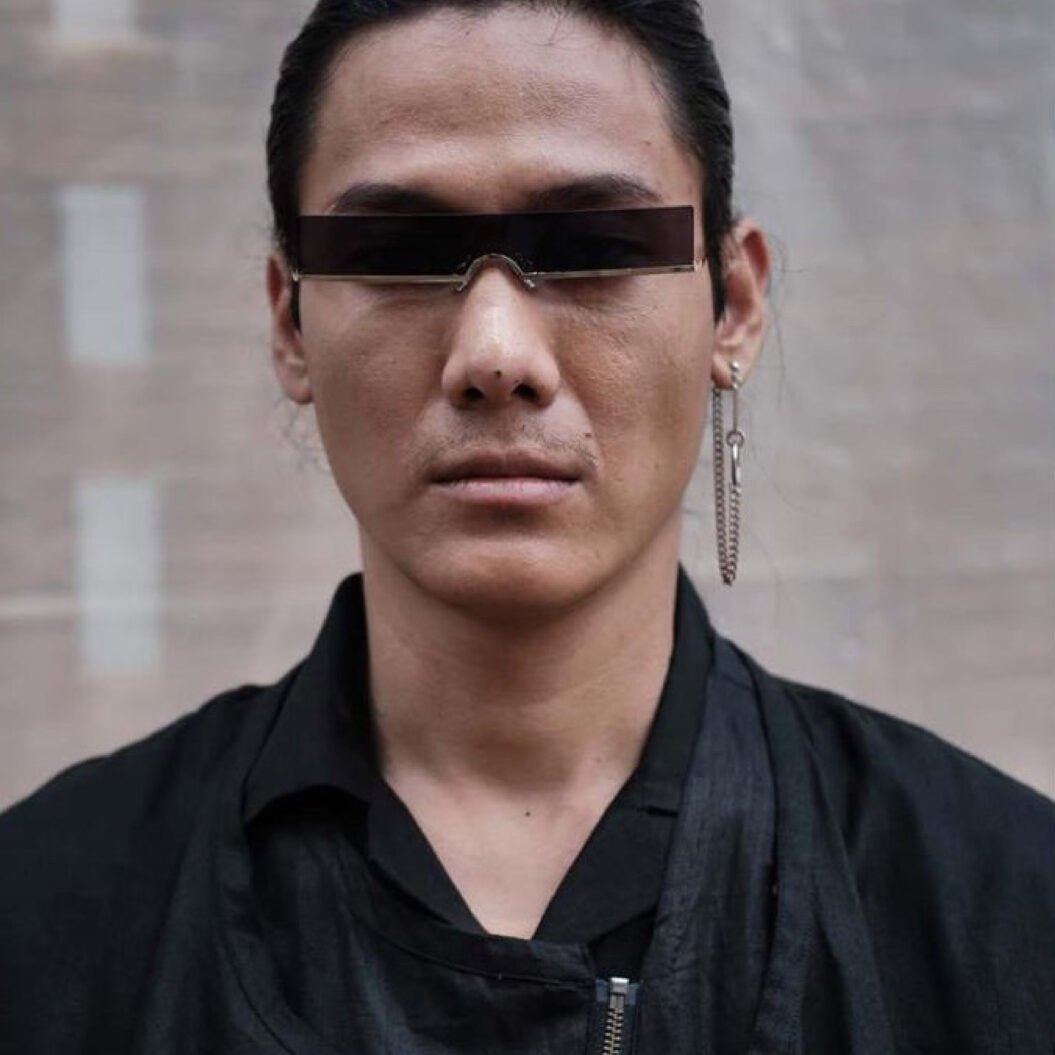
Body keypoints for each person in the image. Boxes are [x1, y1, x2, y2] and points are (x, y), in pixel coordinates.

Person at [1, 0, 1052, 1051]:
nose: (495, 355)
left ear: (731, 305)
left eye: (593, 244)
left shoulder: (1000, 904)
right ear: (290, 319)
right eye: (397, 252)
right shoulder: (50, 911)